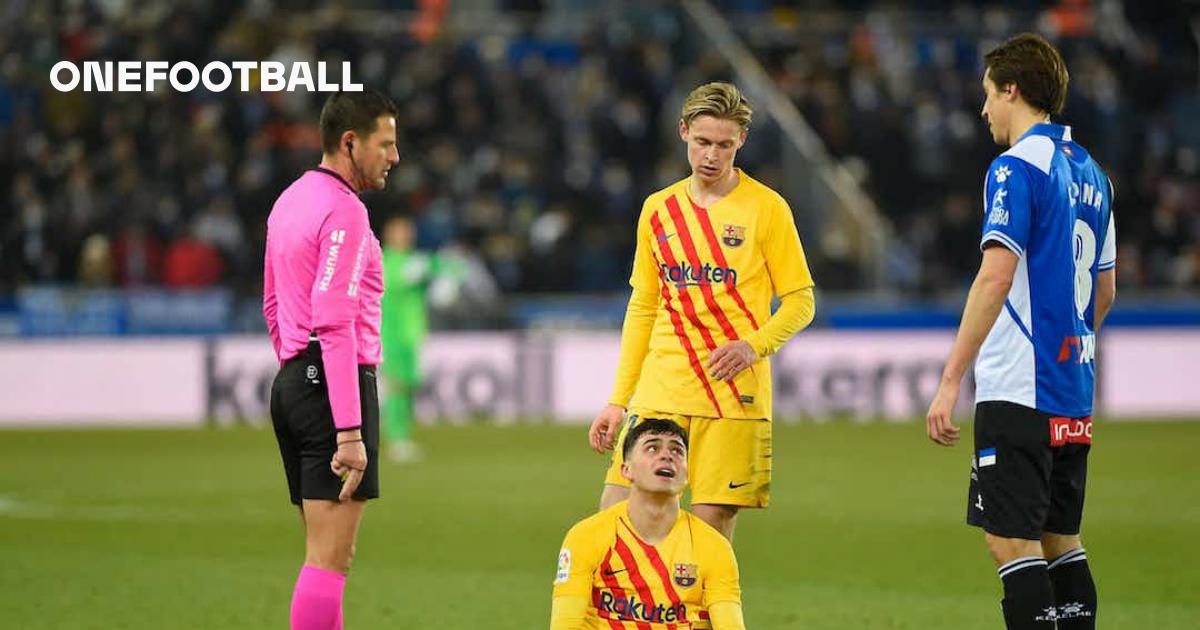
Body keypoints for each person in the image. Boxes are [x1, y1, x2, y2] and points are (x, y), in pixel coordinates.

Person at [925, 33, 1116, 630]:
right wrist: (1068, 347)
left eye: (988, 94)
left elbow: (994, 277)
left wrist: (951, 378)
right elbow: (1104, 292)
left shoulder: (1014, 168)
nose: (983, 110)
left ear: (1013, 89)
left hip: (1019, 387)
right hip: (1072, 386)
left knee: (1011, 543)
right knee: (1062, 538)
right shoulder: (1094, 173)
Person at [588, 81, 816, 541]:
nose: (711, 155)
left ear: (742, 142)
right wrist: (619, 399)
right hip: (662, 387)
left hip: (732, 397)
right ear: (683, 133)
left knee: (705, 543)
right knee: (615, 527)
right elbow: (644, 307)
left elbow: (800, 301)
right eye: (703, 143)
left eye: (724, 145)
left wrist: (754, 346)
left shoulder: (767, 209)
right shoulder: (658, 210)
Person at [262, 90, 400, 630]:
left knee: (321, 556)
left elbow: (273, 304)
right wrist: (348, 429)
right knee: (331, 561)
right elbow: (335, 317)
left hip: (295, 382)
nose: (394, 157)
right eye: (385, 144)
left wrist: (297, 373)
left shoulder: (289, 199)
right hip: (333, 392)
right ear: (350, 142)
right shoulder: (345, 210)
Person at [552, 418, 745, 629]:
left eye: (677, 451)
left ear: (688, 474)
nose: (666, 456)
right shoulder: (586, 537)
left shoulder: (713, 547)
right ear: (626, 470)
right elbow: (566, 625)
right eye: (652, 448)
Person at [380, 214, 459, 463]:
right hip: (389, 333)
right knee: (397, 385)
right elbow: (408, 275)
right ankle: (396, 439)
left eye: (408, 230)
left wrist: (447, 276)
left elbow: (452, 267)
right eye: (400, 231)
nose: (405, 235)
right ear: (389, 235)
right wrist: (435, 271)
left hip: (412, 334)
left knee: (407, 386)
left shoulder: (413, 260)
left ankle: (401, 436)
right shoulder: (384, 261)